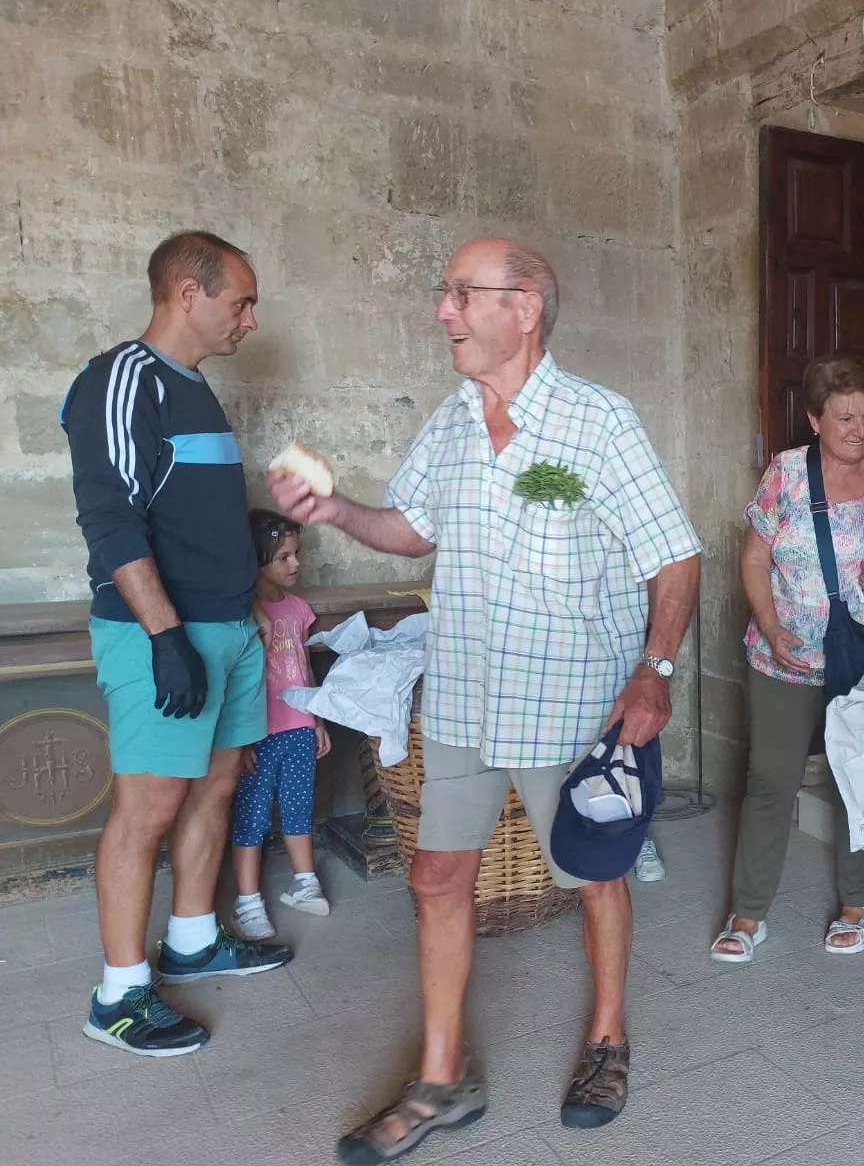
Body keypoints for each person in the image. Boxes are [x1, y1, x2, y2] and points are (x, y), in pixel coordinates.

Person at [268, 237, 701, 1161]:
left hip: (571, 698)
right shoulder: (455, 421)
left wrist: (654, 673)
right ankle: (440, 1080)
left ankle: (608, 1039)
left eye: (464, 293)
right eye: (446, 293)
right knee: (435, 879)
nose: (444, 311)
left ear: (527, 306)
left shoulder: (599, 422)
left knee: (593, 874)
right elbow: (412, 530)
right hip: (464, 694)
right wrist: (335, 510)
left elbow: (676, 553)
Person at [62, 231, 295, 1058]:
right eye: (240, 301)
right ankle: (119, 995)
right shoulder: (121, 380)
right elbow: (109, 517)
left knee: (217, 786)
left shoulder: (195, 389)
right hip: (160, 632)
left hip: (229, 628)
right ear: (186, 294)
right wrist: (165, 637)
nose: (250, 320)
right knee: (149, 808)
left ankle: (193, 938)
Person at [711, 353, 864, 964]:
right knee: (771, 781)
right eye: (844, 418)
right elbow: (755, 559)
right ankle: (748, 911)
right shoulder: (786, 474)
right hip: (784, 655)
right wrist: (769, 623)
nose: (859, 429)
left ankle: (858, 902)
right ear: (814, 419)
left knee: (858, 778)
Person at [230, 510, 334, 941]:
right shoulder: (243, 616)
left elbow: (303, 667)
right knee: (251, 815)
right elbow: (234, 677)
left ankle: (303, 880)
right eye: (283, 557)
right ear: (256, 560)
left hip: (298, 727)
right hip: (258, 731)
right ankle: (247, 900)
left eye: (297, 554)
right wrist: (238, 738)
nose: (295, 564)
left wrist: (317, 719)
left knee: (297, 807)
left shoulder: (297, 610)